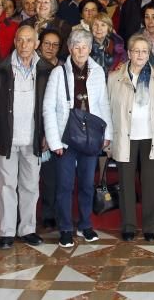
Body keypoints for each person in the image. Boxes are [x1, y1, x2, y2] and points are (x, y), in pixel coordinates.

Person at [0, 24, 53, 249]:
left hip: (34, 139)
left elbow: (55, 108)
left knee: (30, 186)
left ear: (37, 44)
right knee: (6, 186)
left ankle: (27, 229)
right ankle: (7, 232)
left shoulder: (47, 70)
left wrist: (48, 135)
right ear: (14, 42)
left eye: (29, 40)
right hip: (6, 139)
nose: (24, 45)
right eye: (20, 40)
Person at [43, 29, 112, 248]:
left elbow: (103, 105)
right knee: (64, 185)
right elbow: (48, 108)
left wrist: (106, 134)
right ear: (70, 48)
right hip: (66, 136)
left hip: (91, 136)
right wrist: (54, 142)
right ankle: (65, 228)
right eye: (76, 46)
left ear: (90, 48)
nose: (80, 51)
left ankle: (84, 224)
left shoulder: (98, 71)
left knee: (86, 184)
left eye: (85, 47)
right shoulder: (59, 73)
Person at [107, 35, 154, 241]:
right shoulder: (115, 77)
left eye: (144, 51)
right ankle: (128, 226)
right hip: (125, 136)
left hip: (152, 135)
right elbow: (107, 109)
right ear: (129, 53)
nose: (140, 54)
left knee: (151, 183)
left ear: (149, 53)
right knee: (126, 183)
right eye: (136, 50)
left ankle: (151, 226)